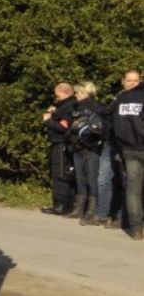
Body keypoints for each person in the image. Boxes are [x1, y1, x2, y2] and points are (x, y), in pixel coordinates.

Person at [93, 69, 140, 227]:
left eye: (135, 80)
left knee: (128, 183)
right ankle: (108, 214)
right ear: (122, 81)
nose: (132, 83)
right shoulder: (119, 98)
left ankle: (125, 218)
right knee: (109, 180)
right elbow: (106, 114)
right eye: (129, 80)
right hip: (115, 144)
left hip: (131, 147)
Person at [110, 71, 144, 240]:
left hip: (128, 148)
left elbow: (111, 120)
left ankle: (137, 229)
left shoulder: (122, 97)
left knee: (133, 189)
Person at [65, 82, 104, 220]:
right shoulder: (76, 107)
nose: (76, 95)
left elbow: (99, 128)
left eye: (79, 93)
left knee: (91, 178)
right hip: (77, 146)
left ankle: (91, 210)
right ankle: (79, 208)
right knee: (80, 178)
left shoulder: (97, 107)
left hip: (90, 147)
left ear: (86, 93)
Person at [41, 82, 77, 215]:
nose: (56, 98)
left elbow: (64, 128)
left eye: (57, 96)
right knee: (65, 173)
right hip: (61, 143)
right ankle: (67, 203)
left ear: (64, 92)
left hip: (62, 143)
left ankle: (61, 205)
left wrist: (48, 121)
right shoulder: (64, 105)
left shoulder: (69, 106)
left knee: (60, 173)